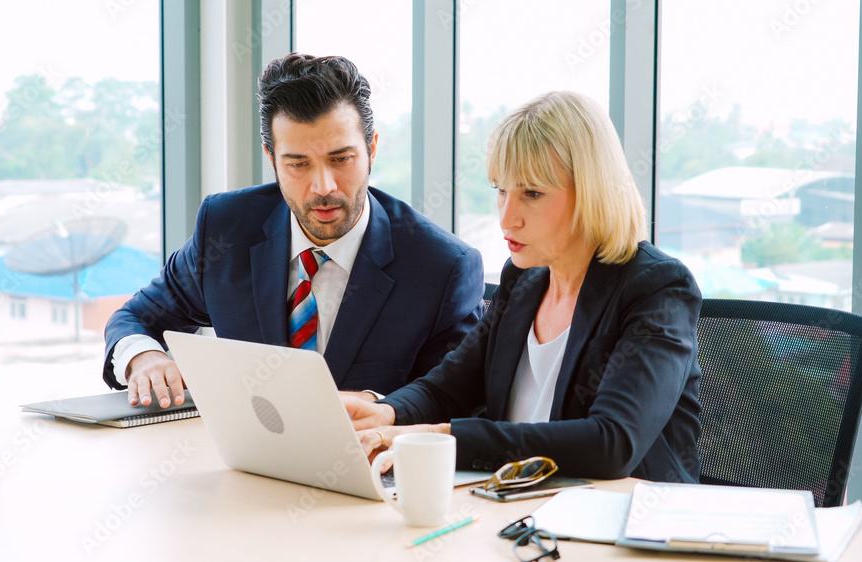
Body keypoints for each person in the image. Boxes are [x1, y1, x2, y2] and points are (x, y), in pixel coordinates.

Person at [343, 91, 703, 483]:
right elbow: (447, 389)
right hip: (514, 509)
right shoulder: (524, 280)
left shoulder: (657, 288)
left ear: (591, 191)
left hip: (620, 524)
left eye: (531, 193)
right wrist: (385, 412)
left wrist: (440, 437)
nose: (507, 218)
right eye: (501, 190)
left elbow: (611, 443)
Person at [103, 53, 484, 409]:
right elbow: (136, 317)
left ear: (372, 148)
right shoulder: (227, 227)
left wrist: (378, 407)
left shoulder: (442, 267)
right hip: (243, 463)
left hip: (366, 468)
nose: (323, 187)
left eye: (341, 159)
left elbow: (454, 398)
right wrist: (143, 355)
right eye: (298, 164)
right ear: (272, 158)